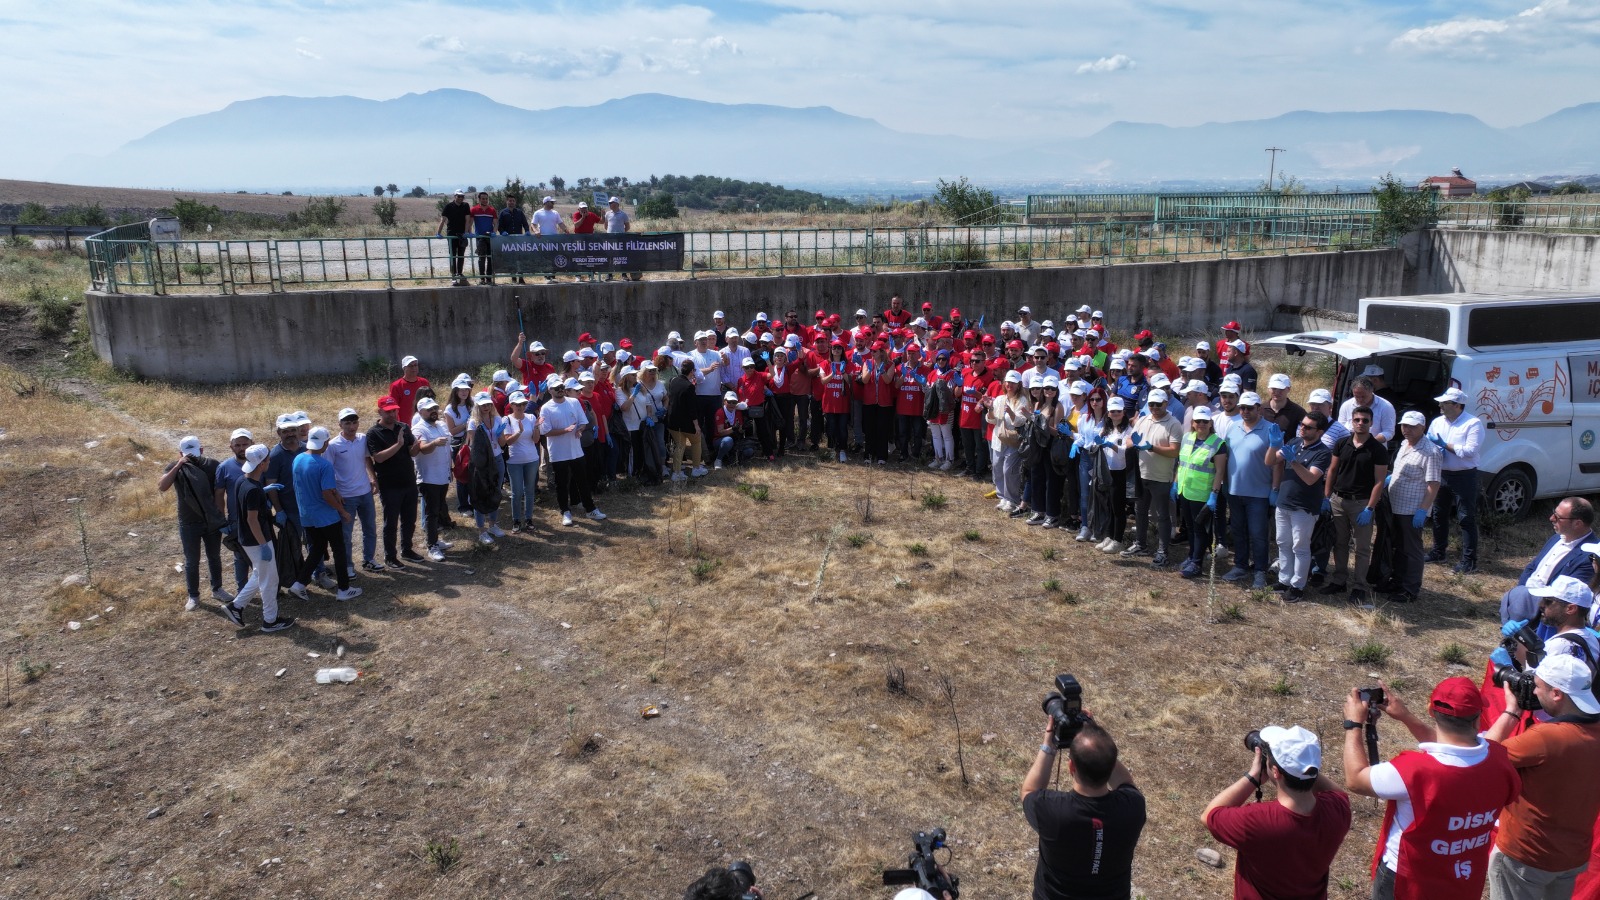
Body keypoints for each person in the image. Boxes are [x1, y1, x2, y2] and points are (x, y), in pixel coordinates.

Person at [1344, 677, 1520, 900]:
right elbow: (1464, 750)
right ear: (1478, 720)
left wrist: (1353, 725)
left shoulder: (1413, 771)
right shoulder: (1499, 761)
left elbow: (1355, 779)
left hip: (1408, 883)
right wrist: (1513, 710)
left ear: (1430, 710)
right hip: (1463, 879)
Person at [1483, 654, 1600, 900]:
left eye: (1537, 686)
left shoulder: (1546, 738)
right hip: (1571, 857)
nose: (1534, 693)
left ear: (1557, 693)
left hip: (1526, 856)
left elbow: (1482, 756)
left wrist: (1512, 712)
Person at [1202, 725, 1351, 900]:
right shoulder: (1338, 810)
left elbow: (1209, 815)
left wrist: (1252, 776)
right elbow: (1339, 793)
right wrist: (1304, 767)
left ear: (1275, 771)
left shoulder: (1257, 821)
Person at [1021, 719, 1146, 900]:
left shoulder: (1052, 811)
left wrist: (1049, 744)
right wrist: (1095, 735)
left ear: (1071, 767)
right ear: (1111, 767)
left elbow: (1029, 790)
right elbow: (1125, 782)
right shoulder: (1133, 807)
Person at [218, 444, 295, 632]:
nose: (269, 462)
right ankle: (271, 620)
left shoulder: (243, 481)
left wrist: (263, 490)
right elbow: (252, 519)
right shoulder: (253, 489)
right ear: (261, 464)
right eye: (267, 460)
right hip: (257, 539)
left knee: (260, 574)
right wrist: (264, 545)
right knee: (270, 580)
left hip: (248, 539)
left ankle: (235, 607)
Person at [1500, 498, 1599, 633]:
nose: (1551, 518)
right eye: (1554, 513)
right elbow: (1533, 566)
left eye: (1558, 517)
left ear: (1577, 523)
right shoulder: (1557, 538)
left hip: (1546, 609)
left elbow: (1565, 595)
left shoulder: (1589, 555)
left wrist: (1525, 598)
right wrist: (1521, 592)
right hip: (1525, 597)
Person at [1323, 405, 1389, 606]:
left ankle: (1359, 586)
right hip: (1339, 500)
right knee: (1340, 543)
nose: (1360, 423)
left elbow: (1379, 481)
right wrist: (1327, 496)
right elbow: (1332, 470)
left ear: (1371, 423)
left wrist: (1370, 507)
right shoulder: (1342, 443)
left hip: (1361, 503)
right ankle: (1339, 580)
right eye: (1357, 420)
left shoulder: (1377, 449)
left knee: (1361, 548)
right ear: (1351, 421)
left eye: (1365, 420)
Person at [286, 427, 360, 602]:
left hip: (307, 516)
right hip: (326, 517)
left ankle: (299, 585)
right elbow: (326, 494)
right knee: (339, 550)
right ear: (326, 443)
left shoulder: (298, 459)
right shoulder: (324, 465)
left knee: (317, 549)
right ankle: (344, 588)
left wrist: (334, 491)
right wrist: (342, 511)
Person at [158, 435, 232, 611]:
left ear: (202, 450)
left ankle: (217, 589)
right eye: (187, 454)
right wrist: (178, 465)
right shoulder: (175, 467)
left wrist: (220, 517)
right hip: (188, 522)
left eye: (194, 453)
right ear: (180, 453)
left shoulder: (213, 465)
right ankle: (193, 596)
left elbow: (220, 491)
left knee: (214, 556)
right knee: (192, 560)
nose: (192, 457)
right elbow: (162, 486)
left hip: (211, 520)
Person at [1269, 411, 1332, 602]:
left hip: (1303, 508)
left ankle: (1297, 586)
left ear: (1319, 432)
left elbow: (1311, 478)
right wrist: (1273, 446)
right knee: (1283, 542)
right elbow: (1270, 461)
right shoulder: (1294, 443)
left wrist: (1293, 461)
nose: (1302, 429)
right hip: (1284, 503)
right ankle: (1284, 580)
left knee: (1300, 547)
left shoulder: (1323, 452)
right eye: (1302, 425)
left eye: (1308, 427)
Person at [1222, 392, 1278, 590]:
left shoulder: (1271, 429)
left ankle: (1260, 571)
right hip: (1235, 489)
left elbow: (1278, 462)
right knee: (1238, 531)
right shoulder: (1233, 427)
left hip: (1259, 493)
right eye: (1242, 408)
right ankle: (1240, 565)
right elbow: (1226, 456)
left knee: (1258, 534)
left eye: (1249, 408)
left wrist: (1275, 488)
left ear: (1259, 409)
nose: (1245, 411)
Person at [1384, 411, 1442, 603]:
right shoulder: (1403, 444)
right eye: (1404, 425)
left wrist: (1422, 510)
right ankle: (1397, 580)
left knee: (1411, 550)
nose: (1406, 429)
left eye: (1412, 426)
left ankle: (1410, 589)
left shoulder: (1430, 452)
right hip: (1396, 504)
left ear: (1422, 427)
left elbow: (1433, 484)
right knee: (1399, 547)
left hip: (1411, 508)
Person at [1426, 387, 1486, 574]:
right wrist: (1434, 448)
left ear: (1457, 405)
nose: (1440, 405)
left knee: (1466, 517)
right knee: (1438, 514)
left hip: (1464, 475)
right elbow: (1428, 441)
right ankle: (1438, 551)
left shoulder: (1473, 423)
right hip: (1441, 473)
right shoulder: (1437, 422)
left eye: (1445, 403)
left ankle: (1469, 561)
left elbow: (1470, 451)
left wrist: (1446, 446)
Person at [1127, 388, 1184, 567]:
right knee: (1140, 511)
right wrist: (1134, 444)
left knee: (1162, 515)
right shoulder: (1143, 419)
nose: (1154, 407)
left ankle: (1162, 552)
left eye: (1158, 404)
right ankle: (1140, 544)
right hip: (1142, 473)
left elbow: (1175, 451)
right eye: (1151, 404)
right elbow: (1129, 440)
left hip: (1161, 477)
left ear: (1166, 404)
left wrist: (1152, 447)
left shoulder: (1174, 424)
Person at [540, 377, 606, 524]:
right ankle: (565, 511)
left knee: (583, 480)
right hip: (558, 453)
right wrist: (565, 430)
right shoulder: (546, 408)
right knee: (562, 484)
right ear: (550, 390)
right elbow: (546, 432)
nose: (560, 390)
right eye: (556, 388)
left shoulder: (574, 402)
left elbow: (583, 422)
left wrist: (580, 430)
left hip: (576, 451)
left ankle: (590, 509)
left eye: (561, 387)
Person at [368, 395, 421, 568]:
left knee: (409, 519)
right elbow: (379, 458)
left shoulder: (403, 427)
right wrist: (398, 445)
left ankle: (407, 549)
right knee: (390, 523)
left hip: (408, 481)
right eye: (388, 412)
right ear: (380, 412)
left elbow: (412, 453)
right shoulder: (373, 433)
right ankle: (390, 556)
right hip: (389, 485)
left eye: (394, 411)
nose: (392, 415)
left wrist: (416, 446)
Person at [328, 407, 381, 575]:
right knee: (346, 534)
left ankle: (369, 560)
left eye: (354, 422)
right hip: (346, 496)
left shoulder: (362, 439)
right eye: (347, 423)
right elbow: (328, 470)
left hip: (365, 492)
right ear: (340, 424)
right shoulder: (333, 445)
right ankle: (347, 566)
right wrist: (335, 492)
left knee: (370, 528)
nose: (352, 426)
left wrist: (373, 477)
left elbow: (367, 458)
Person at [1176, 407, 1227, 579]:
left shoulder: (1218, 443)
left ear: (1210, 423)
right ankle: (1191, 556)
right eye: (1198, 421)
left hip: (1202, 494)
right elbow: (1182, 463)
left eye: (1205, 421)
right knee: (1190, 527)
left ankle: (1196, 563)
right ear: (1193, 423)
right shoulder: (1187, 438)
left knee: (1200, 530)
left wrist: (1214, 494)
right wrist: (1176, 484)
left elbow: (1219, 472)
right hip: (1185, 490)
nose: (1201, 424)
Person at [411, 397, 453, 561]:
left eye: (435, 408)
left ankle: (435, 539)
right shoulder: (418, 429)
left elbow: (449, 447)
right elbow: (422, 450)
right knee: (431, 512)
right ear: (421, 412)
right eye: (429, 409)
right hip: (429, 478)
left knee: (439, 509)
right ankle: (431, 546)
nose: (433, 411)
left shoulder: (441, 425)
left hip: (443, 475)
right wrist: (434, 443)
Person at [466, 392, 508, 542]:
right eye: (483, 404)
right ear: (477, 405)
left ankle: (492, 524)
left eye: (489, 404)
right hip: (482, 463)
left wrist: (498, 435)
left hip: (497, 459)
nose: (486, 407)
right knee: (480, 494)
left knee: (495, 492)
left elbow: (502, 444)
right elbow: (473, 446)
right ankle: (481, 530)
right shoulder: (473, 422)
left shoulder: (497, 419)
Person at [1339, 377, 1396, 444]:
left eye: (1363, 396)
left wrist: (1370, 443)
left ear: (1371, 391)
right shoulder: (1346, 405)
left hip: (1375, 449)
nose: (1360, 400)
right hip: (1349, 447)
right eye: (1356, 396)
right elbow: (1340, 429)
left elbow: (1389, 432)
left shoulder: (1386, 406)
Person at [435, 189, 471, 286]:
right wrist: (438, 232)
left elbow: (467, 220)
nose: (460, 198)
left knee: (461, 254)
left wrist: (467, 232)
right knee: (452, 255)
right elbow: (442, 220)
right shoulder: (448, 206)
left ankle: (460, 273)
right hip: (451, 234)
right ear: (454, 196)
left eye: (462, 196)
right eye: (458, 196)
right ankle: (453, 276)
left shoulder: (466, 206)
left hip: (462, 234)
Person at [531, 195, 569, 282]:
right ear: (546, 203)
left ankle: (552, 275)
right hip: (543, 239)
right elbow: (533, 224)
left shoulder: (555, 213)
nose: (553, 204)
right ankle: (546, 276)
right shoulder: (538, 213)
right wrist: (536, 231)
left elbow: (560, 223)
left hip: (554, 239)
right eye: (551, 202)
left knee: (554, 256)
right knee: (545, 257)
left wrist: (566, 230)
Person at [497, 194, 530, 284]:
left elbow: (525, 224)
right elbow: (500, 226)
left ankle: (521, 278)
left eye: (513, 201)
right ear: (506, 201)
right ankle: (513, 278)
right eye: (510, 201)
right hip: (508, 240)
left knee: (520, 259)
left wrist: (527, 231)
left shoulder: (519, 212)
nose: (511, 202)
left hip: (519, 240)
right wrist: (502, 232)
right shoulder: (503, 213)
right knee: (511, 259)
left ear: (515, 202)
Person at [388, 355, 430, 425]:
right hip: (405, 425)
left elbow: (429, 402)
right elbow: (393, 408)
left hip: (423, 424)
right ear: (404, 368)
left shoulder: (424, 382)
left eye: (415, 365)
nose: (414, 368)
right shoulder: (397, 385)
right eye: (410, 366)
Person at [468, 191, 497, 285]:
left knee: (490, 258)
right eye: (483, 198)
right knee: (481, 258)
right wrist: (470, 233)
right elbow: (470, 222)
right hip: (480, 237)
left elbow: (496, 223)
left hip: (490, 237)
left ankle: (489, 278)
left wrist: (494, 232)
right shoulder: (474, 210)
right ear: (479, 199)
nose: (485, 200)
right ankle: (482, 278)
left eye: (486, 199)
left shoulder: (492, 210)